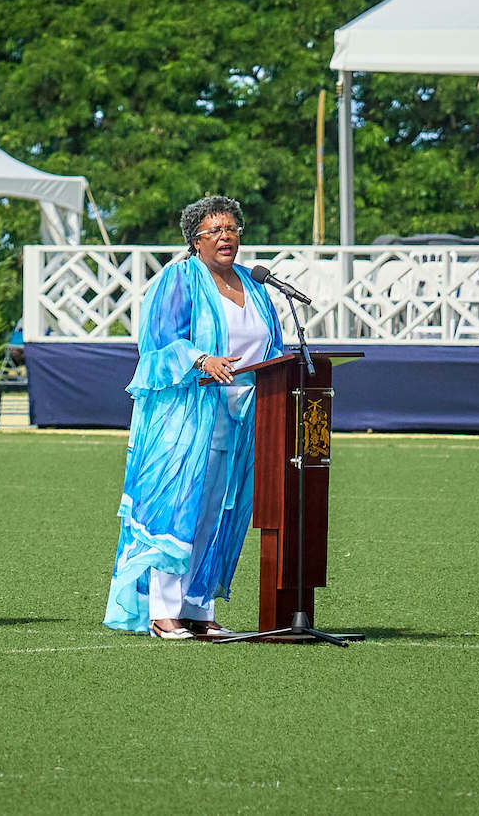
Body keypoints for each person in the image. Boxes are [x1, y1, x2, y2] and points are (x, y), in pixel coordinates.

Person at [103, 195, 285, 639]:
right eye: (215, 231)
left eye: (232, 229)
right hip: (185, 417)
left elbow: (272, 347)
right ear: (195, 241)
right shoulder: (179, 279)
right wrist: (202, 359)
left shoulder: (255, 284)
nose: (226, 238)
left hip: (242, 420)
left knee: (217, 512)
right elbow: (159, 344)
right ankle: (163, 611)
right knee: (178, 507)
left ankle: (198, 609)